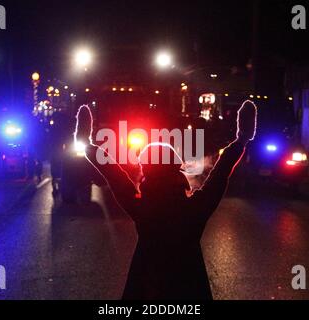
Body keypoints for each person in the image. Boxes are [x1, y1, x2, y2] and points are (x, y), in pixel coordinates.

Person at [75, 100, 257, 299]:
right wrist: (241, 140)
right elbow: (220, 174)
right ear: (176, 168)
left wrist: (89, 146)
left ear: (146, 171)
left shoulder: (142, 208)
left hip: (146, 286)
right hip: (190, 288)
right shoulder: (195, 208)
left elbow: (114, 175)